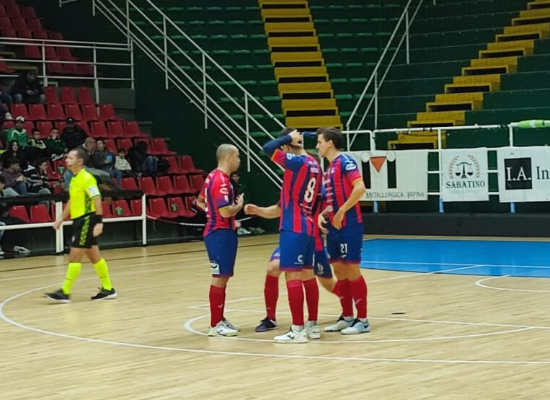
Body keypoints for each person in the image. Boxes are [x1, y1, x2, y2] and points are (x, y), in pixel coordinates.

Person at [261, 128, 322, 343]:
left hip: (293, 227)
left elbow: (267, 148)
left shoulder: (297, 163)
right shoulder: (315, 164)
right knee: (308, 276)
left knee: (293, 277)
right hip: (308, 227)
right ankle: (312, 325)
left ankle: (297, 330)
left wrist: (287, 138)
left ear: (287, 147)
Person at [245, 202, 336, 335]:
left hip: (310, 237)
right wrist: (259, 210)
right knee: (273, 268)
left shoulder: (312, 190)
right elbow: (280, 209)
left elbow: (327, 206)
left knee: (323, 281)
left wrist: (322, 215)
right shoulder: (292, 194)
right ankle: (271, 318)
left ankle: (346, 307)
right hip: (294, 236)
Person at [316, 127, 369, 335]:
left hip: (349, 225)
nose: (317, 146)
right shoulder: (329, 168)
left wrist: (341, 211)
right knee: (338, 269)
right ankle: (347, 316)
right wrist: (325, 213)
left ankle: (362, 320)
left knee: (351, 269)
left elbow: (360, 188)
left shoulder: (345, 161)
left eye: (320, 142)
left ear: (330, 143)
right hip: (334, 226)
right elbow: (334, 199)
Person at [45, 147, 117, 303]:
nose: (66, 160)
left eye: (70, 158)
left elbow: (97, 198)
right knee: (95, 257)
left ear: (79, 161)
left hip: (87, 220)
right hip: (78, 220)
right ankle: (108, 289)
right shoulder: (74, 179)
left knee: (74, 257)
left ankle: (65, 292)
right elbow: (72, 201)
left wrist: (99, 222)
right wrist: (60, 218)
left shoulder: (87, 178)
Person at [195, 144, 243, 337]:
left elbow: (200, 201)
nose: (239, 161)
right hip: (219, 234)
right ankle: (215, 325)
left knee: (223, 277)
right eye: (238, 156)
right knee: (219, 278)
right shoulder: (221, 181)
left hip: (221, 230)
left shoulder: (212, 177)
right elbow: (225, 211)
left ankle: (219, 319)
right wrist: (238, 207)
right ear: (229, 157)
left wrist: (216, 215)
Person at [0, 175, 30, 254]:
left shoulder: (3, 193)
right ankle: (6, 246)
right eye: (2, 183)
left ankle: (17, 245)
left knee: (21, 223)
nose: (3, 185)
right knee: (8, 224)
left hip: (4, 216)